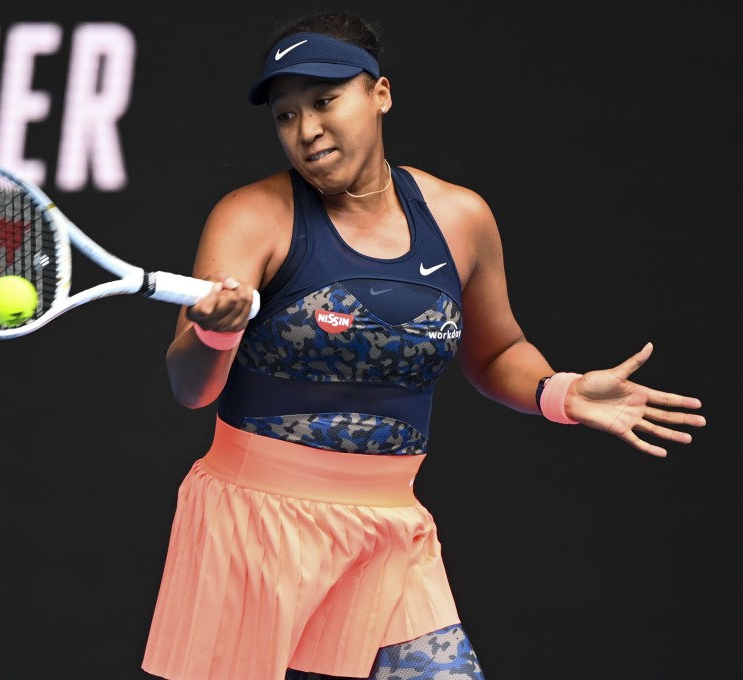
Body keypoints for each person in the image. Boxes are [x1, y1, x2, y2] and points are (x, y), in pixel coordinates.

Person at [140, 12, 706, 680]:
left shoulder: (461, 218)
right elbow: (191, 388)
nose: (307, 130)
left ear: (379, 93)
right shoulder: (251, 217)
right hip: (252, 534)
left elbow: (497, 352)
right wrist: (216, 329)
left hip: (389, 537)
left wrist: (562, 391)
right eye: (286, 115)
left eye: (325, 101)